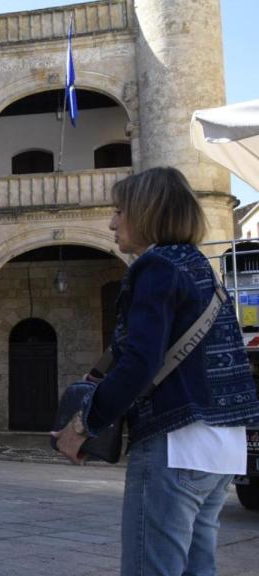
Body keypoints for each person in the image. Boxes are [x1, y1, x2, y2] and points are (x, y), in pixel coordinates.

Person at [53, 167, 259, 576]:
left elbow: (139, 363)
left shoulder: (156, 267)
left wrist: (83, 425)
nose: (111, 222)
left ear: (146, 212)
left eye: (119, 211)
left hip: (177, 439)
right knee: (197, 568)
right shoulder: (200, 267)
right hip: (223, 446)